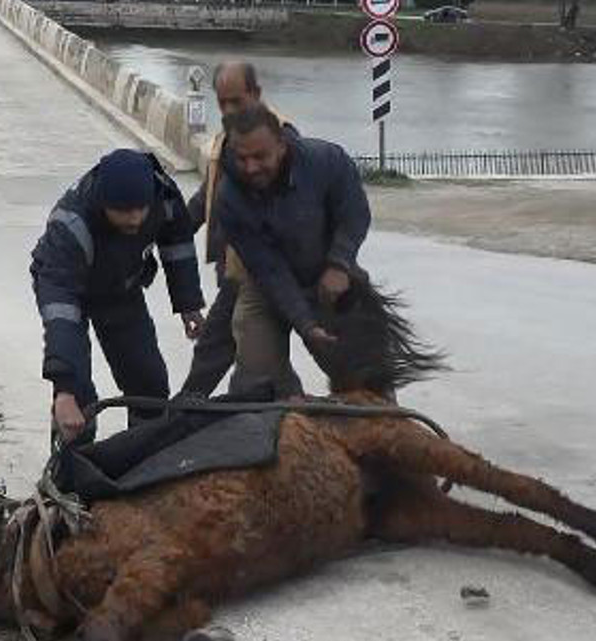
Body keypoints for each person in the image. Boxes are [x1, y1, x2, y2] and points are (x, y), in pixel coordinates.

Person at [31, 149, 205, 442]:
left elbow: (178, 244)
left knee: (149, 385)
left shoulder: (161, 193)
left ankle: (140, 466)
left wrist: (188, 305)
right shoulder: (72, 224)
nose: (135, 219)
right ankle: (68, 475)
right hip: (67, 289)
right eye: (123, 211)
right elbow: (62, 317)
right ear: (103, 203)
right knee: (78, 399)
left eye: (140, 208)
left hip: (120, 288)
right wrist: (64, 389)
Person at [215, 104, 371, 399]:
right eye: (241, 158)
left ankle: (378, 423)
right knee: (255, 379)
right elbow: (269, 269)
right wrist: (305, 324)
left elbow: (355, 215)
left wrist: (339, 264)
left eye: (260, 157)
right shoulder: (229, 198)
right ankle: (289, 418)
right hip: (266, 287)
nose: (250, 168)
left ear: (282, 145)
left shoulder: (327, 160)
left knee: (361, 374)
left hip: (330, 277)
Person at [179, 61, 294, 398]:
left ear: (256, 94)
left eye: (237, 102)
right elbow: (207, 197)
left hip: (259, 270)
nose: (229, 110)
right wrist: (172, 230)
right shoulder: (228, 139)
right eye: (222, 103)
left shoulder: (280, 137)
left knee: (226, 355)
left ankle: (181, 417)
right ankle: (184, 414)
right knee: (246, 355)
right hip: (234, 268)